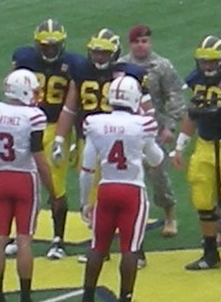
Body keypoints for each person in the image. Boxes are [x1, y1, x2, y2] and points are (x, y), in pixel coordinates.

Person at [51, 28, 152, 267]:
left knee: (129, 189)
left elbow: (147, 109)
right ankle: (101, 246)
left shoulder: (129, 74)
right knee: (95, 194)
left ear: (115, 53)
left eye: (104, 53)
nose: (99, 57)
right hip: (92, 138)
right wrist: (58, 139)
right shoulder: (81, 71)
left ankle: (137, 249)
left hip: (122, 137)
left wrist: (147, 139)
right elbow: (69, 108)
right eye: (96, 52)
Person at [76, 75, 163, 302]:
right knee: (130, 249)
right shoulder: (142, 124)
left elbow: (87, 168)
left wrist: (85, 201)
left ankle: (86, 301)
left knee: (98, 246)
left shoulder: (96, 123)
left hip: (106, 188)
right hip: (132, 190)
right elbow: (156, 159)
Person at [0, 69, 56, 302]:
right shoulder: (32, 116)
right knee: (24, 239)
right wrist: (54, 191)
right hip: (24, 179)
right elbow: (39, 157)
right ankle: (25, 299)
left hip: (0, 176)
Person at [173, 35, 221, 275]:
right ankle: (210, 253)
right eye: (204, 62)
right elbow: (192, 113)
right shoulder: (197, 80)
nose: (207, 66)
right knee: (203, 199)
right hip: (206, 144)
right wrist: (180, 145)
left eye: (212, 62)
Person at [11, 19, 82, 260]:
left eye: (54, 46)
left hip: (53, 126)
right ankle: (20, 233)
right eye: (45, 46)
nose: (50, 51)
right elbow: (11, 88)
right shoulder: (24, 59)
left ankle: (58, 238)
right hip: (26, 124)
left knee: (55, 183)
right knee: (21, 179)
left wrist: (63, 136)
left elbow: (73, 103)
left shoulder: (73, 64)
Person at [118, 24, 185, 237]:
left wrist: (170, 127)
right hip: (125, 129)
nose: (140, 45)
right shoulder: (121, 65)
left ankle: (170, 214)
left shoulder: (162, 66)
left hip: (153, 129)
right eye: (136, 41)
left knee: (158, 176)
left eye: (144, 41)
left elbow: (174, 97)